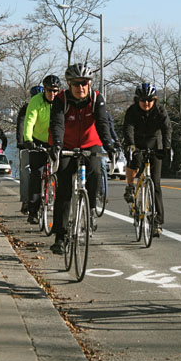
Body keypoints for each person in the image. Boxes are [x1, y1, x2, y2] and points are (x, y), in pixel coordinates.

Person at [48, 63, 115, 254]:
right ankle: (60, 237)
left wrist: (108, 145)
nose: (81, 88)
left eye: (84, 83)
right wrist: (57, 146)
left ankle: (91, 207)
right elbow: (57, 124)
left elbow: (102, 123)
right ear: (69, 84)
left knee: (95, 170)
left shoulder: (96, 99)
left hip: (90, 143)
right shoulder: (61, 99)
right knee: (64, 191)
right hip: (66, 145)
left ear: (90, 83)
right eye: (76, 84)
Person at [122, 83, 172, 237]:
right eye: (143, 100)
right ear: (138, 100)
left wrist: (167, 148)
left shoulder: (160, 111)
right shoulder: (132, 111)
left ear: (154, 100)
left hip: (154, 143)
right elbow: (128, 128)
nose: (146, 103)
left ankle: (157, 222)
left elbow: (167, 129)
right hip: (136, 142)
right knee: (134, 164)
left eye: (150, 100)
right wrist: (131, 145)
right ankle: (130, 187)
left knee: (155, 184)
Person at [24, 76, 61, 224]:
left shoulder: (62, 101)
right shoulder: (36, 101)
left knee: (61, 175)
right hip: (38, 140)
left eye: (55, 91)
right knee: (37, 175)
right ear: (44, 89)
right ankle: (33, 211)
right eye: (49, 90)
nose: (52, 94)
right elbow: (29, 120)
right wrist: (28, 139)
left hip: (56, 141)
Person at [18, 85, 45, 215]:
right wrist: (22, 142)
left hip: (45, 142)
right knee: (25, 171)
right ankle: (26, 201)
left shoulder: (47, 106)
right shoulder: (26, 109)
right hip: (29, 144)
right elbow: (22, 124)